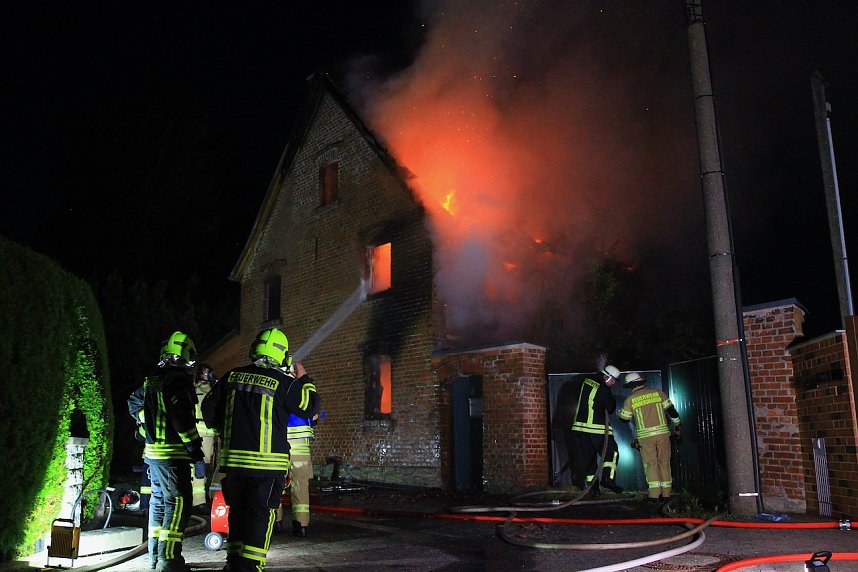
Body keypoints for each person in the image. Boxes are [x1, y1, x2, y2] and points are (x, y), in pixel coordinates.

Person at [202, 327, 319, 572]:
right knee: (259, 518)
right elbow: (309, 407)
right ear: (281, 355)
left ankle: (233, 563)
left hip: (234, 466)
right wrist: (305, 379)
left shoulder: (232, 377)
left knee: (238, 515)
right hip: (266, 469)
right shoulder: (284, 383)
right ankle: (251, 567)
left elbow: (208, 410)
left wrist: (227, 429)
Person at [128, 331, 206, 572]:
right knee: (178, 503)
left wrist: (144, 423)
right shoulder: (178, 381)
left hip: (153, 455)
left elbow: (133, 402)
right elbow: (183, 421)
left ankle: (155, 556)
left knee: (159, 504)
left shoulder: (152, 380)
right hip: (173, 456)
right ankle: (169, 560)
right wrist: (196, 453)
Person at [618, 372, 681, 504]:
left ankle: (654, 496)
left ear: (631, 386)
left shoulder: (630, 400)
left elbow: (624, 419)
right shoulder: (658, 393)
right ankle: (666, 495)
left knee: (651, 465)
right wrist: (677, 426)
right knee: (664, 463)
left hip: (645, 438)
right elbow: (672, 412)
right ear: (641, 382)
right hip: (663, 434)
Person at [568, 365, 623, 495]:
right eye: (613, 380)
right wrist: (612, 400)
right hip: (597, 428)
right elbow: (610, 408)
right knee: (612, 452)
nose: (614, 383)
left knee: (589, 459)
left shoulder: (586, 381)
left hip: (580, 428)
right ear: (607, 377)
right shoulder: (604, 389)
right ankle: (608, 479)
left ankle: (593, 490)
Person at [286, 412, 318, 537]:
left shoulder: (279, 392)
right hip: (302, 445)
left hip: (280, 442)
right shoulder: (309, 393)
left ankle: (276, 522)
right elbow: (315, 418)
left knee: (276, 483)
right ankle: (301, 525)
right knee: (301, 486)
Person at [192, 363, 218, 507]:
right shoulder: (206, 389)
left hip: (206, 434)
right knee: (199, 467)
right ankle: (198, 501)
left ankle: (200, 498)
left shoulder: (197, 388)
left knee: (202, 466)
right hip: (202, 434)